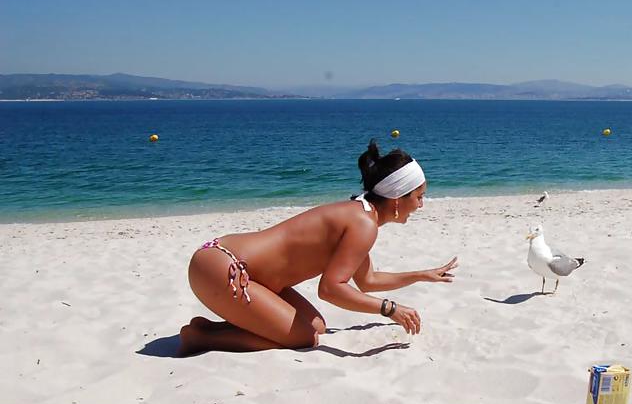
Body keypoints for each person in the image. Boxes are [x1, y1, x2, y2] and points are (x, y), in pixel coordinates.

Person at [178, 140, 458, 356]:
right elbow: (331, 289)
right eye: (419, 196)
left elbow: (367, 281)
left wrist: (422, 274)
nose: (421, 204)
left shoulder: (361, 213)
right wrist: (389, 309)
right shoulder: (363, 223)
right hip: (223, 267)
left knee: (317, 327)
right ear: (397, 197)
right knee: (305, 337)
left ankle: (209, 328)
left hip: (226, 261)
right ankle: (202, 338)